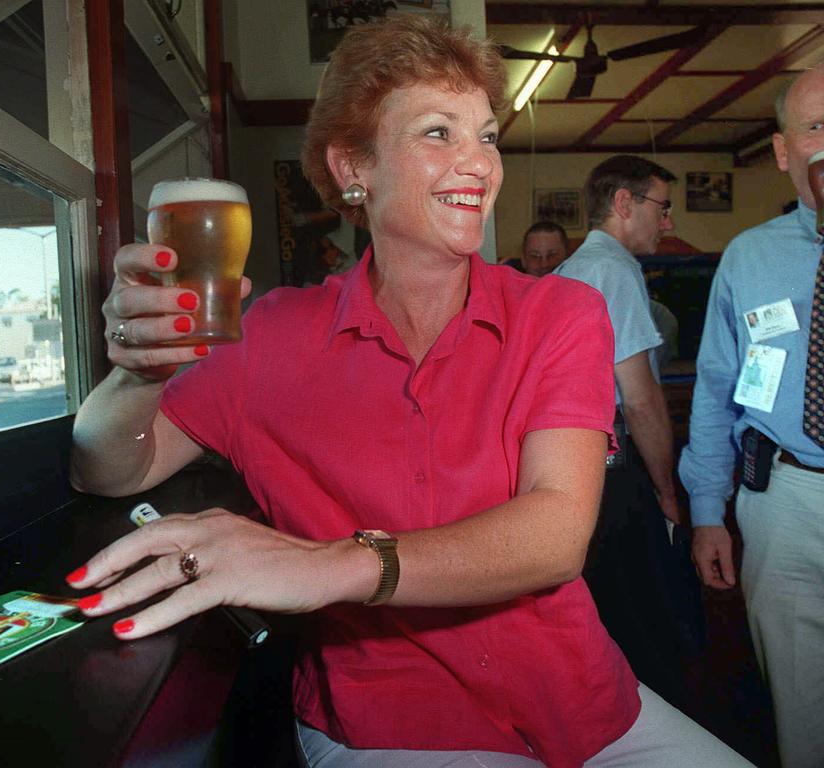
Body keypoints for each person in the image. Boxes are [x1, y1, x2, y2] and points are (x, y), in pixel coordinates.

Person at [68, 18, 747, 768]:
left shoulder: (558, 313)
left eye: (486, 137)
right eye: (438, 132)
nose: (479, 164)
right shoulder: (271, 335)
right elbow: (109, 467)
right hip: (385, 716)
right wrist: (136, 374)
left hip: (576, 697)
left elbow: (556, 535)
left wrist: (323, 563)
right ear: (354, 165)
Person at [679, 63, 824, 768]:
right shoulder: (749, 257)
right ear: (783, 150)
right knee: (800, 701)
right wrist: (709, 509)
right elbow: (715, 388)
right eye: (816, 128)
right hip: (785, 501)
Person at [553, 155, 704, 710]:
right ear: (624, 204)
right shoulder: (614, 270)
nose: (666, 224)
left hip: (578, 465)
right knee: (653, 624)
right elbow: (639, 399)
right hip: (618, 471)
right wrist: (668, 491)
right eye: (661, 209)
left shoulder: (572, 270)